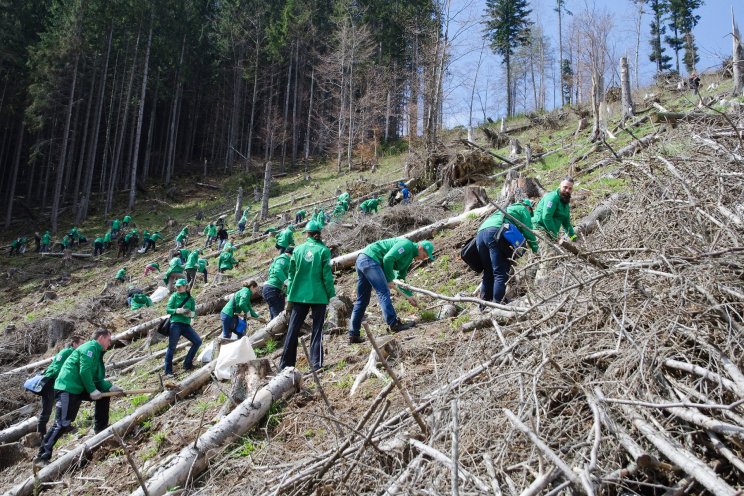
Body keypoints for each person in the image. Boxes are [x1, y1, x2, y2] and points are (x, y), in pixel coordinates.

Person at [37, 329, 119, 463]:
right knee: (62, 423)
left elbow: (97, 378)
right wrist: (92, 390)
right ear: (101, 338)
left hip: (78, 387)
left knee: (103, 396)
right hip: (67, 387)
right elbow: (84, 370)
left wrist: (109, 387)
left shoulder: (98, 353)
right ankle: (42, 457)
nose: (110, 344)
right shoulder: (90, 348)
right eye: (109, 340)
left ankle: (101, 429)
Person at [348, 238, 435, 343]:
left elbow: (401, 277)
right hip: (370, 258)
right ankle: (394, 323)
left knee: (363, 299)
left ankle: (354, 334)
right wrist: (389, 279)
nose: (423, 259)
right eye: (424, 255)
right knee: (383, 292)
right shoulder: (406, 245)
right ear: (420, 247)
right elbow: (388, 258)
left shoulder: (409, 257)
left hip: (364, 260)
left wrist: (409, 296)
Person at [279, 221, 336, 371]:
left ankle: (285, 365)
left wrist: (290, 295)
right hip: (319, 295)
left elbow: (291, 275)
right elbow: (327, 276)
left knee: (292, 330)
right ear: (319, 233)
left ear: (307, 233)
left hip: (298, 295)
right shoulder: (323, 251)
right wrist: (332, 294)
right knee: (317, 329)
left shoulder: (297, 250)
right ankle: (316, 364)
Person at [476, 199, 539, 304]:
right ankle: (497, 305)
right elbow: (529, 232)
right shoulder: (524, 209)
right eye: (530, 213)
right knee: (500, 273)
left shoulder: (507, 209)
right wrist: (536, 250)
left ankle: (483, 305)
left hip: (480, 233)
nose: (530, 215)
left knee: (488, 272)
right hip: (495, 233)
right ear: (529, 208)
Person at [35, 335, 84, 437]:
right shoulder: (68, 352)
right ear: (74, 344)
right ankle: (41, 435)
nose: (83, 346)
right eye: (81, 344)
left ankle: (65, 426)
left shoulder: (70, 352)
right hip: (51, 381)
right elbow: (56, 367)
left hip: (57, 382)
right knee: (47, 408)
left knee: (69, 402)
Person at [164, 279, 201, 376]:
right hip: (175, 324)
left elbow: (194, 314)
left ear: (185, 286)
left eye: (180, 286)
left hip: (186, 325)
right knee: (172, 347)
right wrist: (177, 310)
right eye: (176, 286)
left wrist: (190, 314)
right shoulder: (174, 296)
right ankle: (168, 371)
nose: (178, 288)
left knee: (198, 341)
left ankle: (187, 364)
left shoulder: (190, 299)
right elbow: (168, 310)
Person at [532, 177, 576, 241]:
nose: (567, 190)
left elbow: (566, 223)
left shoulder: (565, 201)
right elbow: (546, 217)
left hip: (550, 233)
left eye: (570, 188)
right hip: (538, 229)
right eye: (565, 187)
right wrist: (555, 236)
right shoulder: (552, 198)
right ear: (560, 186)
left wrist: (574, 238)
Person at [263, 246, 293, 319]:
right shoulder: (283, 259)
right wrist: (287, 282)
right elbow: (277, 270)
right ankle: (276, 330)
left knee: (275, 316)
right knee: (278, 317)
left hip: (274, 289)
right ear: (291, 254)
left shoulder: (284, 260)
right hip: (273, 289)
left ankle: (272, 329)